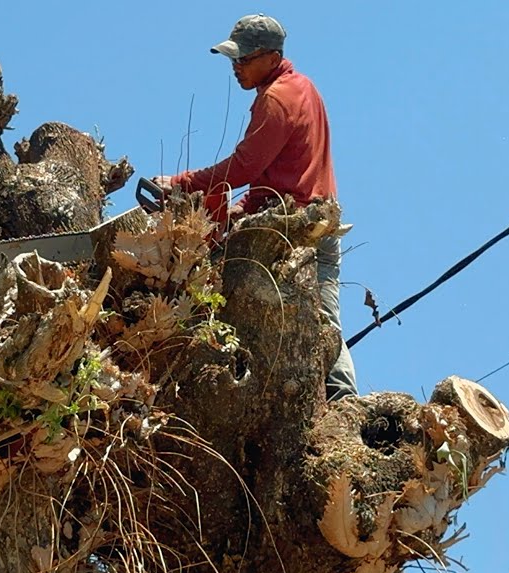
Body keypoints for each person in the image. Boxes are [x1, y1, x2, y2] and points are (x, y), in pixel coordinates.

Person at [153, 13, 357, 401]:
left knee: (316, 319)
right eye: (233, 59)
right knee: (317, 315)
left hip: (294, 227)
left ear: (271, 55)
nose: (236, 67)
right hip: (308, 216)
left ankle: (344, 402)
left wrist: (182, 182)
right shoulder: (303, 88)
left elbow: (245, 166)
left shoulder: (278, 98)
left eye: (243, 60)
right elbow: (277, 172)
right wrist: (240, 209)